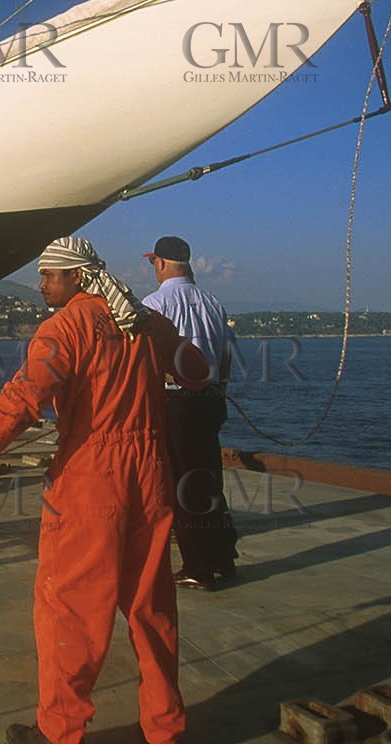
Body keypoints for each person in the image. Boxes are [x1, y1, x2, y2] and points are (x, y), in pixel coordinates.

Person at [0, 236, 208, 744]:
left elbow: (22, 399)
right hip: (150, 475)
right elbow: (197, 373)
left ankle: (60, 731)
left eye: (48, 275)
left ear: (76, 277)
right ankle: (165, 728)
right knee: (152, 607)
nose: (40, 284)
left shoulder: (65, 328)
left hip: (90, 478)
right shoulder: (142, 321)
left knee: (71, 609)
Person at [142, 235, 239, 591]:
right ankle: (223, 557)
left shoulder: (154, 304)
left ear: (162, 264)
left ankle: (198, 566)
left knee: (181, 485)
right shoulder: (213, 303)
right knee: (209, 479)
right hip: (211, 400)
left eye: (154, 262)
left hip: (177, 401)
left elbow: (148, 358)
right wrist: (221, 390)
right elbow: (226, 355)